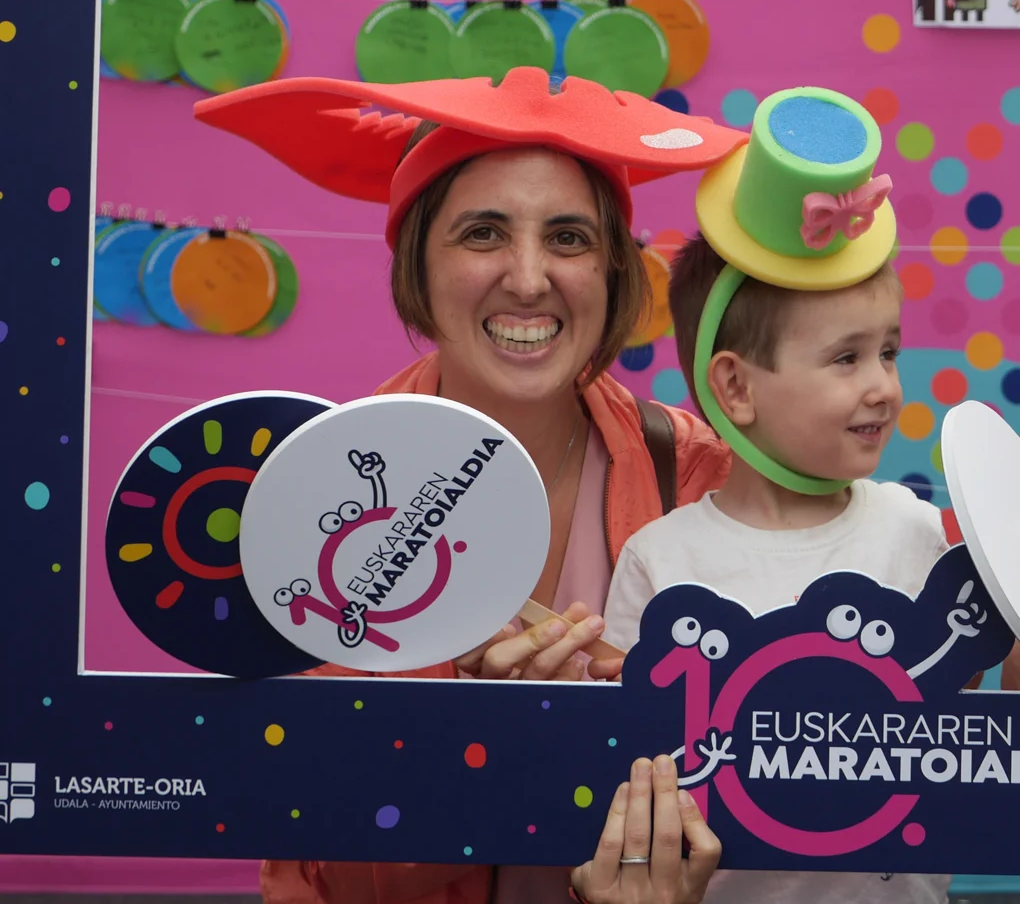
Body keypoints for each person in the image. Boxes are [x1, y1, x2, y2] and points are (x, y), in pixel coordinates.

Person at [193, 68, 745, 904]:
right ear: (417, 264)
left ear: (613, 273)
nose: (528, 278)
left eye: (568, 238)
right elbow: (316, 867)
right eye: (483, 233)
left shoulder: (699, 475)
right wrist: (474, 745)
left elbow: (769, 786)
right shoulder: (316, 501)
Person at [603, 88, 949, 904]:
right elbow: (630, 767)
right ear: (736, 387)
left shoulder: (917, 532)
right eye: (846, 358)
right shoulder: (661, 562)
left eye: (890, 351)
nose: (883, 386)